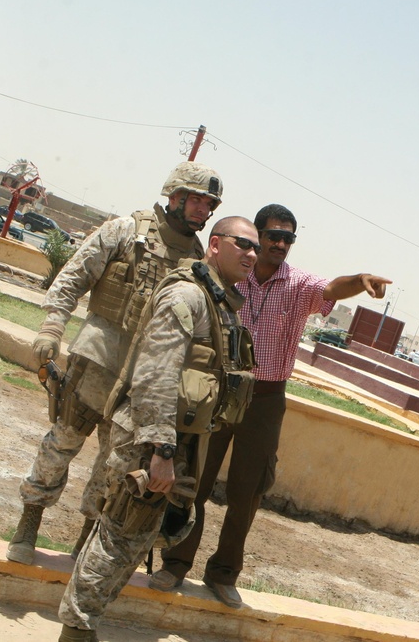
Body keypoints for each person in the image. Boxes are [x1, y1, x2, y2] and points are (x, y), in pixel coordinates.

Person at [149, 203, 391, 607]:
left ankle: (224, 574)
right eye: (273, 235)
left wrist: (360, 280)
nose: (280, 243)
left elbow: (331, 289)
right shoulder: (229, 275)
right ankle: (175, 564)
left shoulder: (297, 285)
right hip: (218, 392)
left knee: (249, 491)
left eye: (288, 238)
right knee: (197, 480)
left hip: (265, 400)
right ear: (256, 236)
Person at [7, 161, 222, 566]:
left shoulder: (197, 261)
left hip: (140, 385)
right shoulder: (127, 230)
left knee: (113, 468)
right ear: (174, 195)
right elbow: (73, 277)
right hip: (97, 363)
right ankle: (28, 523)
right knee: (61, 445)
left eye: (209, 204)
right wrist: (52, 327)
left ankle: (84, 547)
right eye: (196, 200)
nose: (202, 210)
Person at [57, 216, 259, 642]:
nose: (252, 254)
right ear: (215, 245)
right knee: (118, 536)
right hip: (150, 440)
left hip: (174, 439)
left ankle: (82, 627)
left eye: (255, 248)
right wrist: (161, 453)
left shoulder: (215, 301)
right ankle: (75, 631)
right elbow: (156, 373)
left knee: (133, 538)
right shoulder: (187, 296)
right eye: (243, 244)